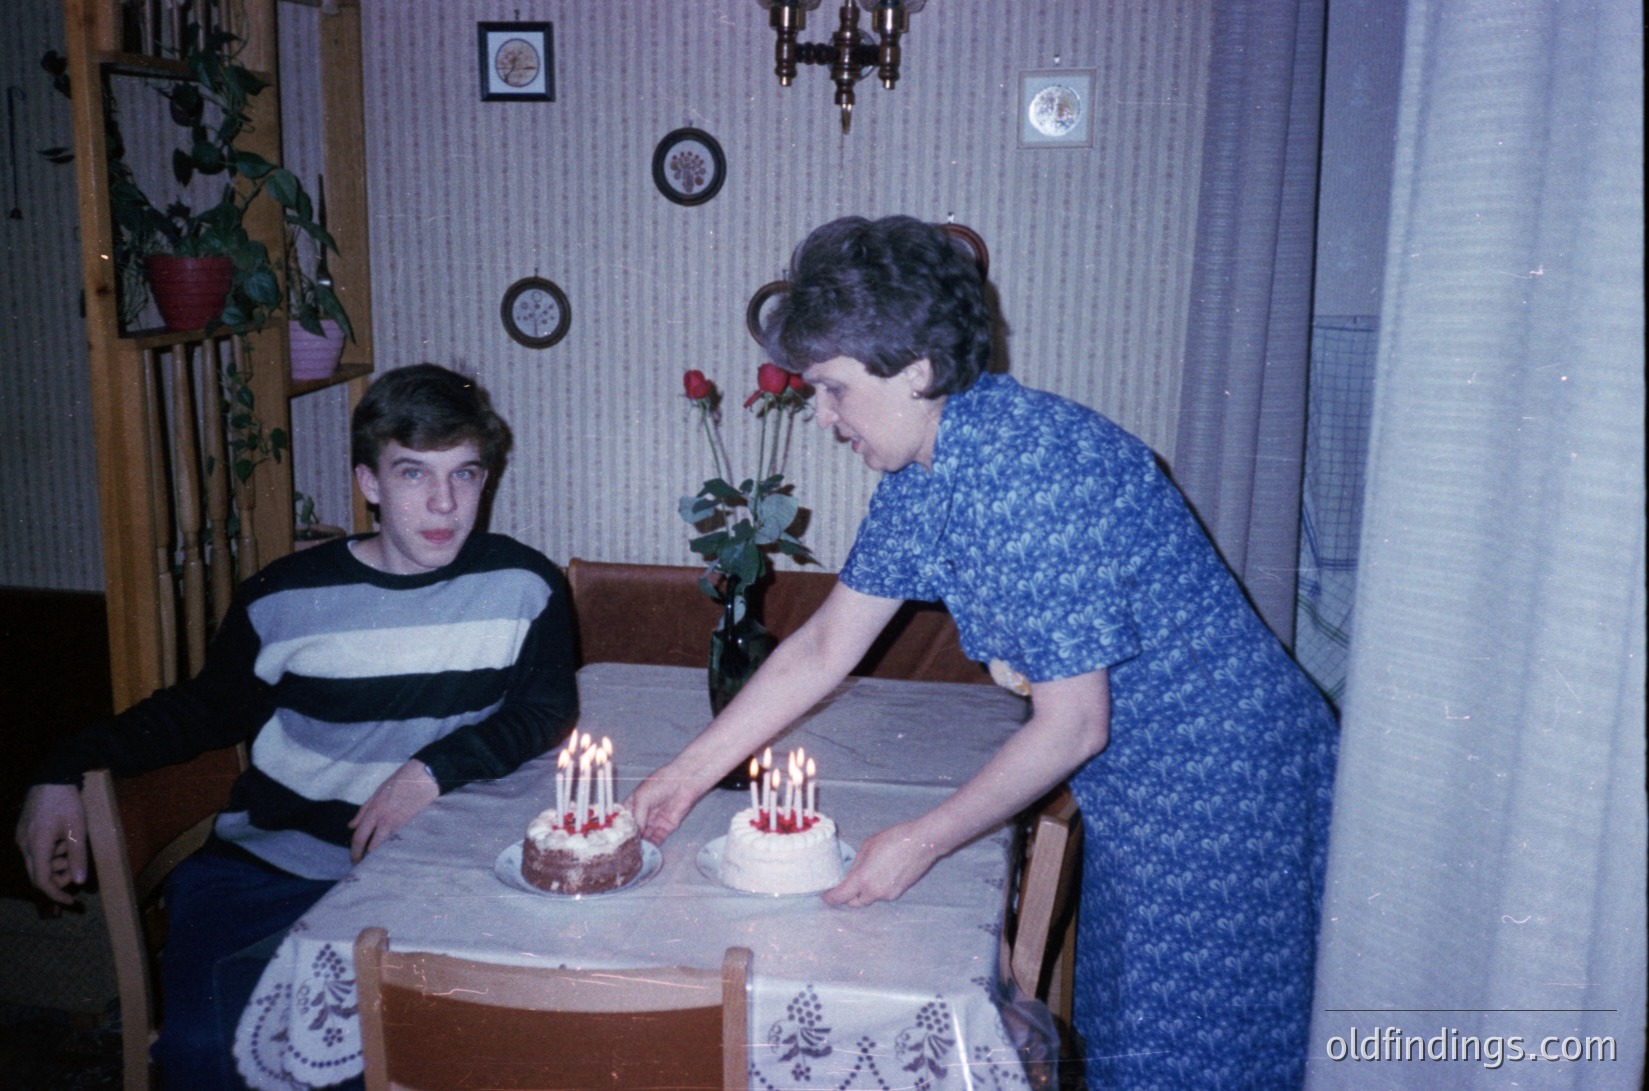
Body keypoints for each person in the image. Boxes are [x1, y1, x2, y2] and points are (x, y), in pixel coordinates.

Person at [629, 216, 1338, 1088]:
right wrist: (682, 776)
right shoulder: (924, 470)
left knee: (1195, 1065)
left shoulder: (1027, 470)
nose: (818, 415)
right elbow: (822, 646)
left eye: (833, 389)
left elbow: (1073, 723)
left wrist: (920, 842)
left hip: (1227, 794)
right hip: (1141, 791)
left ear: (917, 369)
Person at [14, 364, 579, 1089]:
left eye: (464, 474)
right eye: (413, 473)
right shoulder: (283, 598)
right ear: (368, 482)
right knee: (212, 1050)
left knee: (487, 1045)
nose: (444, 503)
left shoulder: (525, 587)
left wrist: (429, 769)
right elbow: (200, 710)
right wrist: (64, 764)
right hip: (272, 874)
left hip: (430, 883)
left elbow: (544, 708)